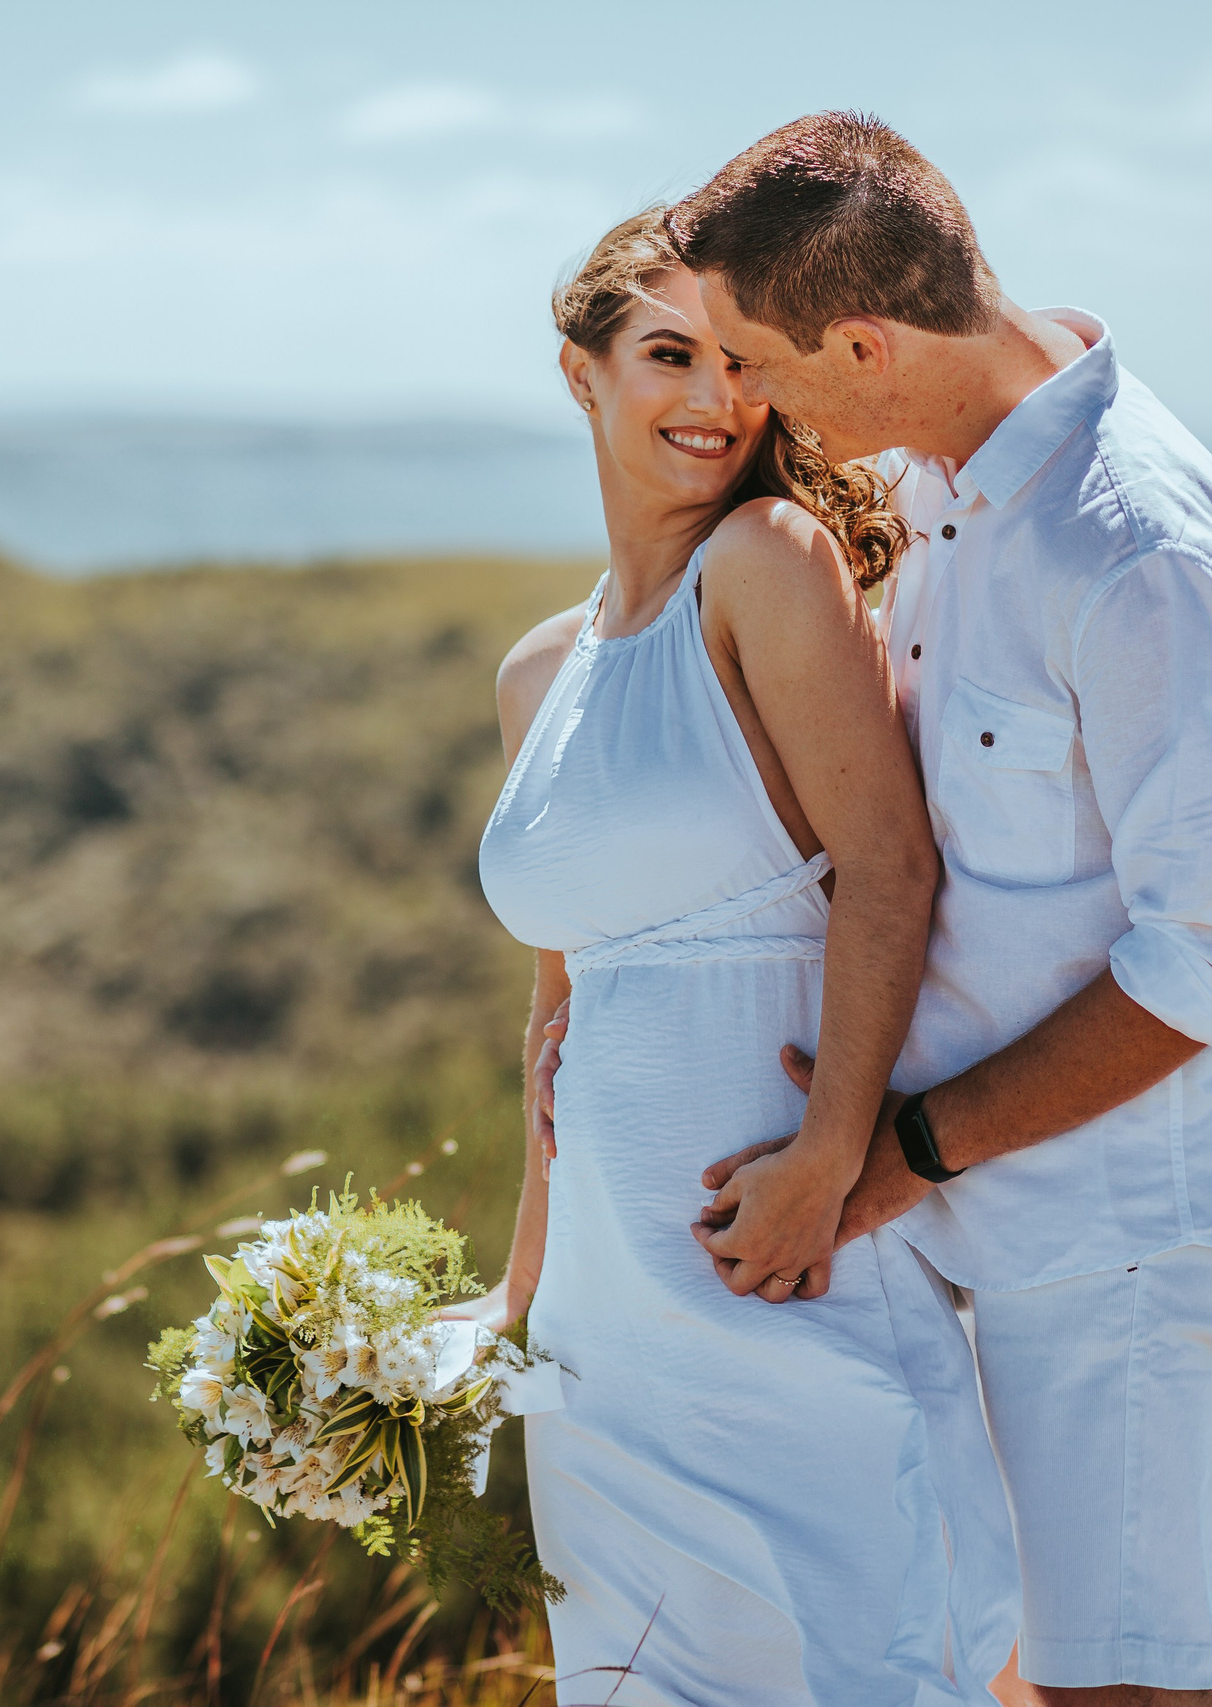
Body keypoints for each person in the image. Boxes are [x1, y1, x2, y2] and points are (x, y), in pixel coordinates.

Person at [653, 113, 1212, 1707]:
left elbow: (1209, 960)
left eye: (759, 363)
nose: (746, 403)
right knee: (998, 1679)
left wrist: (909, 1149)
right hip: (964, 1213)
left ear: (866, 341)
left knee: (1115, 1690)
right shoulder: (949, 481)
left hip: (1116, 1231)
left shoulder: (1136, 547)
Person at [444, 210, 1019, 1706]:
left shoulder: (765, 562)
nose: (715, 398)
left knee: (861, 1665)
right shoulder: (536, 676)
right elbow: (558, 1011)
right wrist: (521, 1296)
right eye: (668, 355)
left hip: (779, 1271)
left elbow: (892, 871)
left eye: (740, 361)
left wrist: (834, 1154)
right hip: (607, 1328)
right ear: (583, 375)